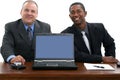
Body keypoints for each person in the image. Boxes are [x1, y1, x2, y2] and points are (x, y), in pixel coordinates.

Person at [0, 0, 51, 64]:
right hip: (18, 67)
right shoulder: (11, 27)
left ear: (36, 14)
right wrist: (12, 58)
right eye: (26, 10)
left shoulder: (45, 27)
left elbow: (49, 49)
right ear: (21, 12)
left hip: (39, 67)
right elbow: (6, 46)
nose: (29, 13)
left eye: (33, 11)